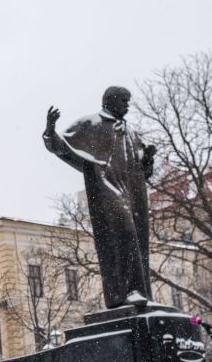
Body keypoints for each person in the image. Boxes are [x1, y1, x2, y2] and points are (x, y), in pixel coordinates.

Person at [43, 87, 157, 308]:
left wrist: (148, 159)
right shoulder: (91, 124)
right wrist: (50, 130)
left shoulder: (132, 133)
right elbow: (60, 146)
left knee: (138, 242)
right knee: (123, 235)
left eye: (128, 101)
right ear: (110, 101)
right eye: (124, 101)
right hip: (106, 189)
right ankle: (124, 292)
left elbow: (144, 172)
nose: (127, 106)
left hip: (133, 194)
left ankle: (139, 292)